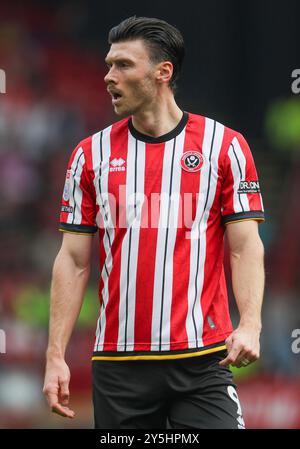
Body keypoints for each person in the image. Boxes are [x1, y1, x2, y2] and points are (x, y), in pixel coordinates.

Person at [43, 16, 265, 429]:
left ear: (164, 72)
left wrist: (250, 323)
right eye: (108, 65)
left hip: (202, 359)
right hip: (118, 362)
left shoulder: (225, 145)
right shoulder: (88, 156)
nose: (109, 76)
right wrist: (55, 354)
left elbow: (244, 246)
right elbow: (73, 260)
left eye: (124, 65)